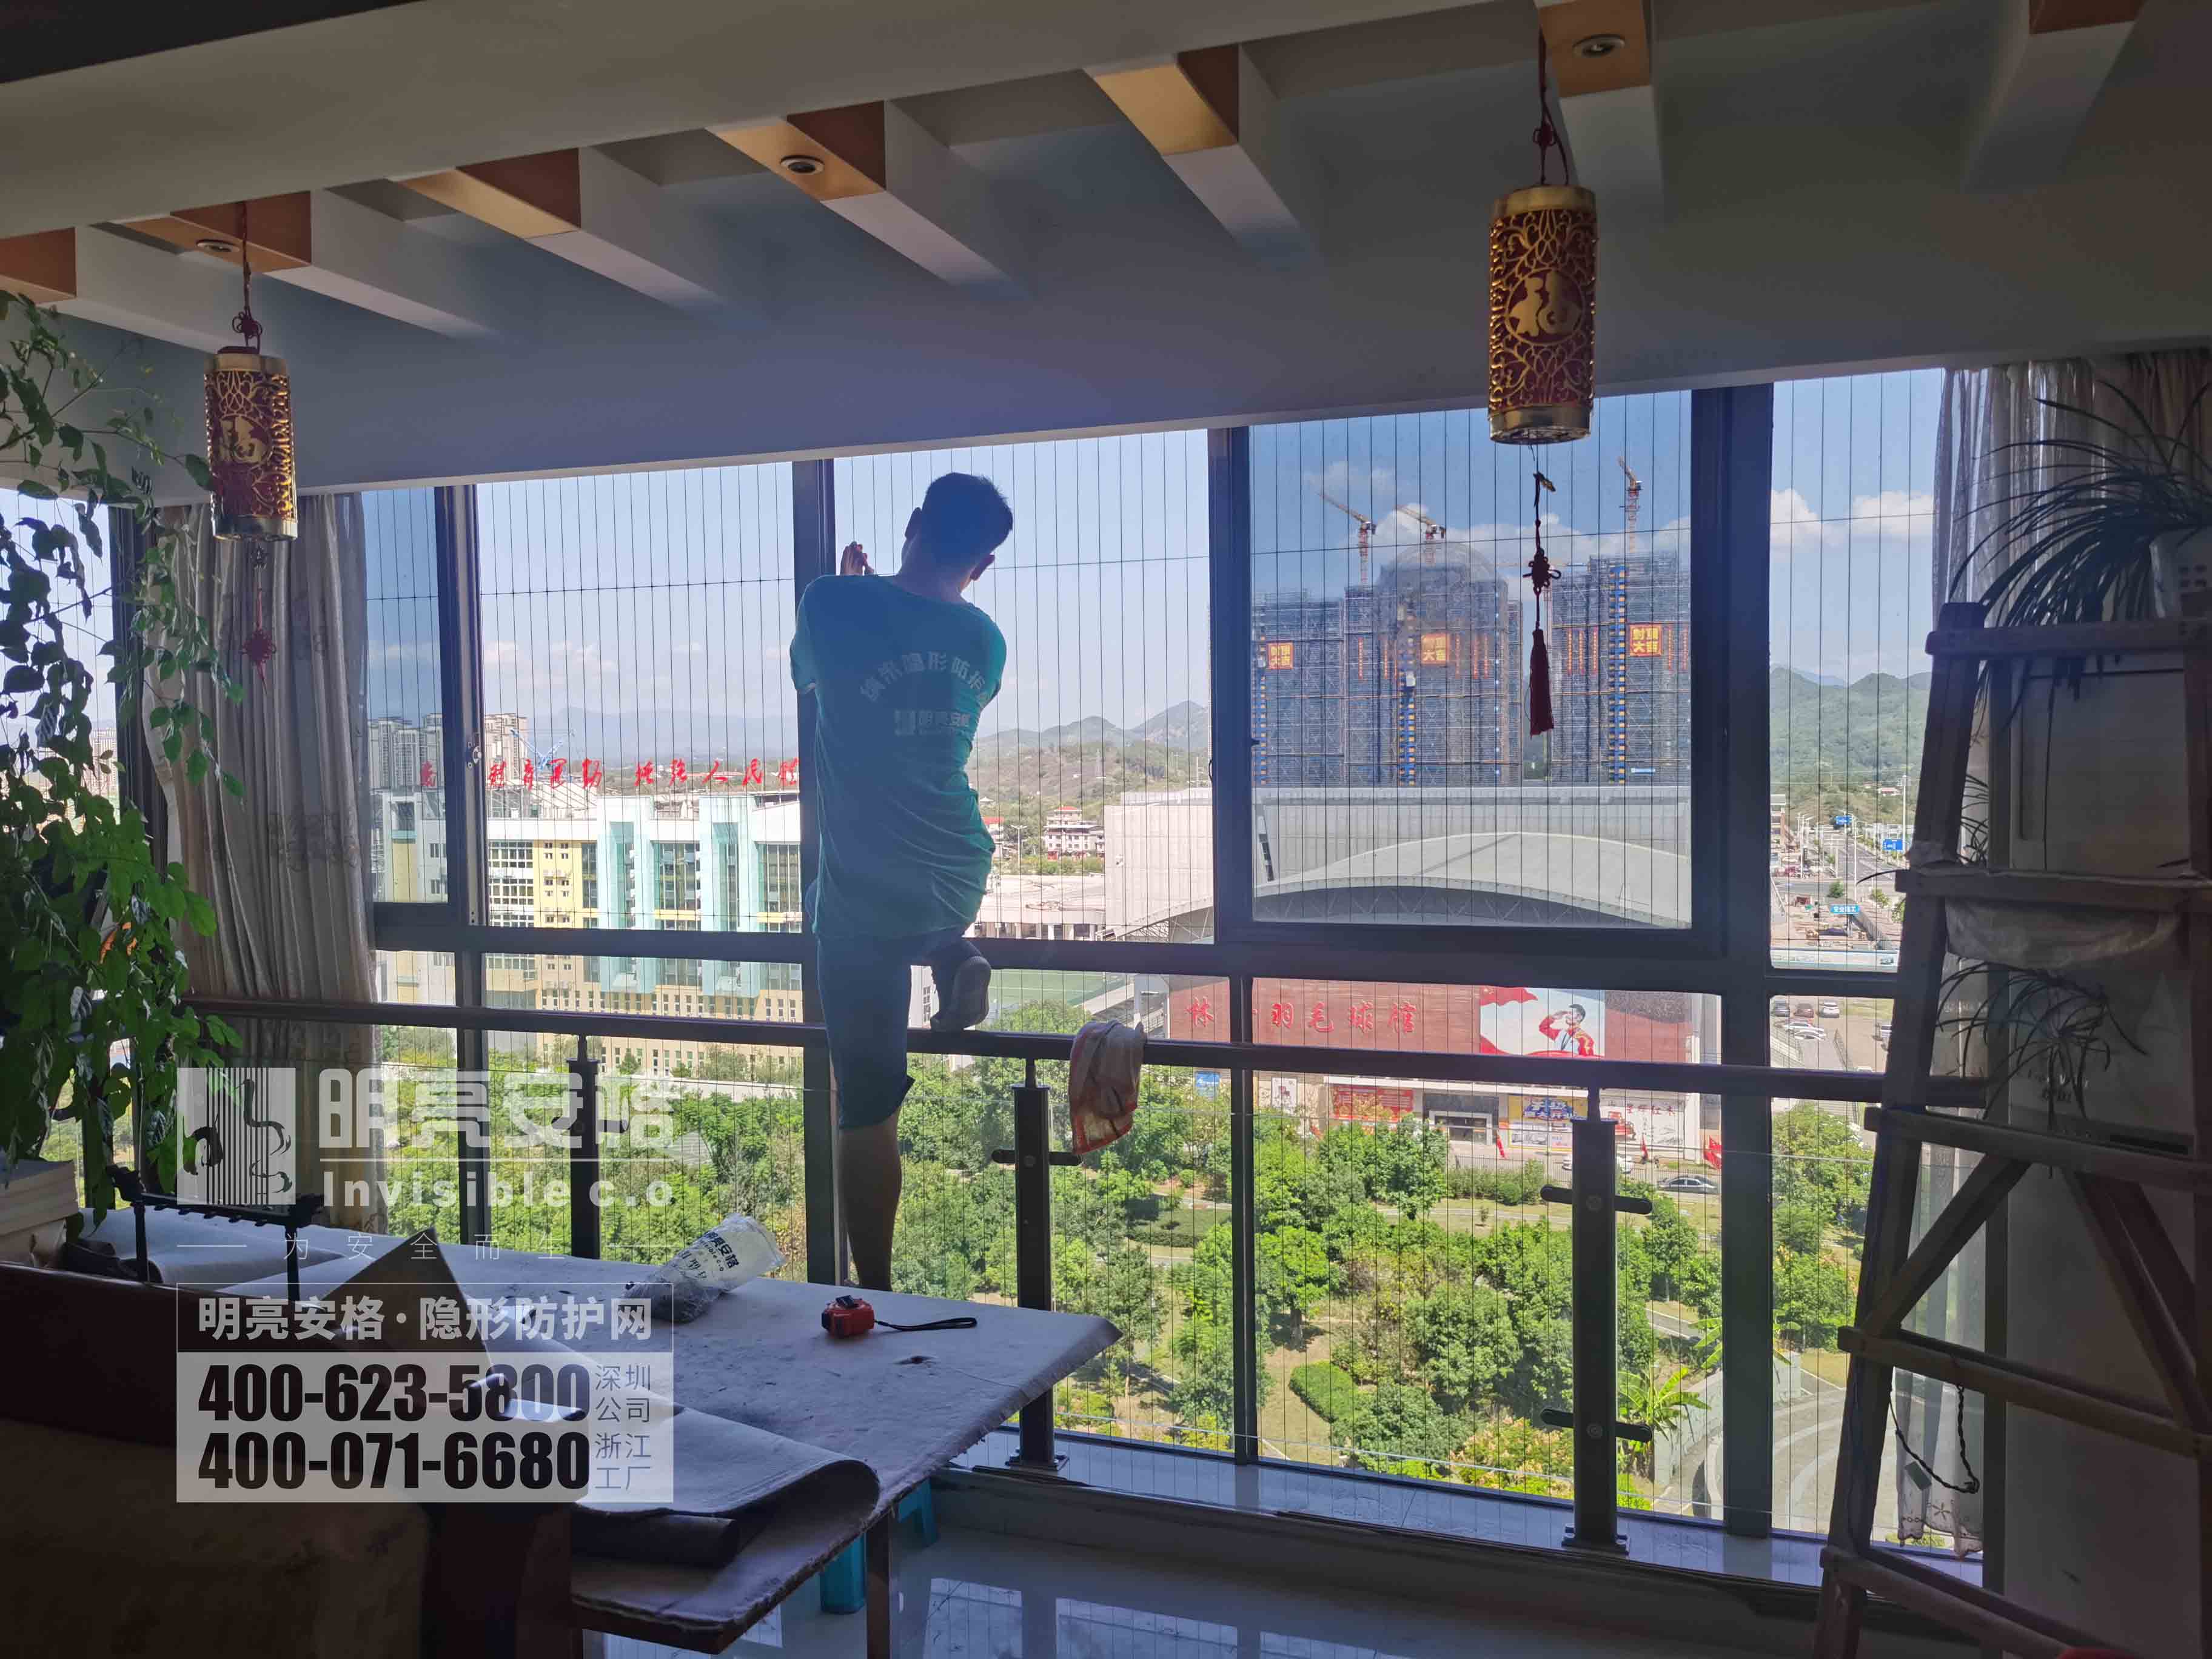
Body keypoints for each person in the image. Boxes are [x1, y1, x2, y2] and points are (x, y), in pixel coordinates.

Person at [789, 472, 1013, 1290]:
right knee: (924, 923)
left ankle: (872, 1289)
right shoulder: (984, 640)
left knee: (869, 1107)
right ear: (982, 564)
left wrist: (853, 584)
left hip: (860, 893)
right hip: (955, 863)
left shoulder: (831, 603)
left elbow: (811, 675)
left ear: (914, 521)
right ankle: (952, 953)